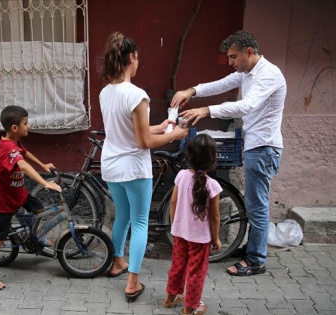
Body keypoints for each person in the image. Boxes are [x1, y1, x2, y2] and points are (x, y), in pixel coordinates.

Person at [171, 30, 286, 276]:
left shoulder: (269, 74)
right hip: (255, 144)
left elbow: (248, 105)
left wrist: (207, 110)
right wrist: (192, 91)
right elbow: (221, 84)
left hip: (264, 147)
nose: (231, 62)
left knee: (257, 206)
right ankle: (252, 249)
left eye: (234, 57)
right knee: (255, 204)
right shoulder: (246, 73)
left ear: (249, 52)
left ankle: (256, 261)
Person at [99, 32, 188, 302]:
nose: (139, 63)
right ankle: (132, 283)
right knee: (139, 222)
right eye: (138, 58)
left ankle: (116, 262)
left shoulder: (106, 92)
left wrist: (159, 126)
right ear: (131, 58)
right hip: (135, 169)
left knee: (122, 218)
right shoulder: (137, 95)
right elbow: (144, 141)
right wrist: (173, 135)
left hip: (112, 166)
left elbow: (126, 129)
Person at [0, 105, 61, 291]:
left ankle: (32, 237)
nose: (28, 126)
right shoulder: (6, 147)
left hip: (18, 194)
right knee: (0, 237)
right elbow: (22, 165)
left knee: (38, 208)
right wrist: (45, 183)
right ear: (15, 128)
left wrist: (43, 165)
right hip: (3, 200)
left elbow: (25, 154)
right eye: (25, 123)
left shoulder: (15, 141)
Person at [162, 134, 222, 315]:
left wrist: (175, 225)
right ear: (212, 159)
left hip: (180, 233)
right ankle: (190, 308)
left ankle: (169, 299)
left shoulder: (180, 176)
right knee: (196, 272)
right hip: (200, 239)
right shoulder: (213, 185)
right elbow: (215, 216)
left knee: (178, 265)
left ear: (189, 156)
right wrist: (216, 238)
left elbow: (172, 203)